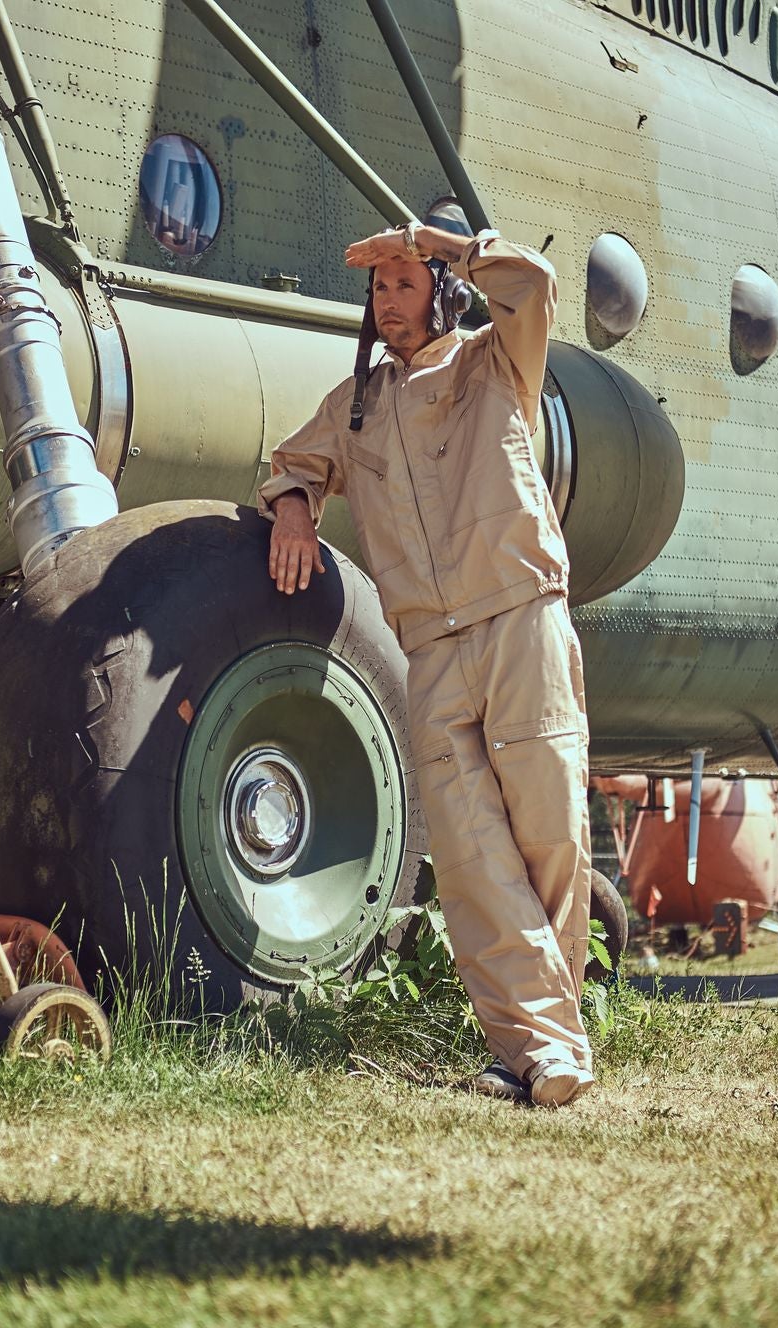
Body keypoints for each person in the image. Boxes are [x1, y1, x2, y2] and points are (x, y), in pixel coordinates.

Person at [258, 220, 595, 1107]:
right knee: (470, 853)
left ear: (441, 290)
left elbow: (534, 283)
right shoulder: (357, 404)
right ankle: (541, 1046)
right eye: (379, 290)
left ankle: (542, 1045)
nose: (388, 302)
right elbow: (292, 464)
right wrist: (294, 510)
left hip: (520, 616)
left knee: (548, 833)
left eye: (404, 285)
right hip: (432, 650)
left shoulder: (497, 360)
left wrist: (436, 241)